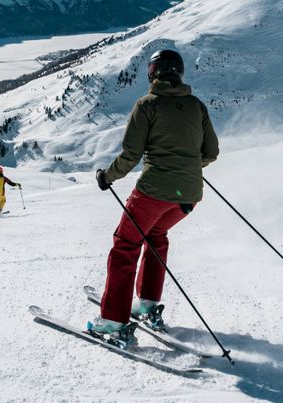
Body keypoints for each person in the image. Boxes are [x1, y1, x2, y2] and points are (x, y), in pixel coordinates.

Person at [90, 49, 220, 345]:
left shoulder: (147, 105)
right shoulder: (196, 106)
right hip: (188, 196)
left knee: (125, 246)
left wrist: (106, 176)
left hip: (153, 192)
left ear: (153, 72)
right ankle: (147, 305)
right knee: (156, 235)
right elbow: (210, 153)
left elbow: (131, 155)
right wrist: (186, 167)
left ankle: (112, 322)